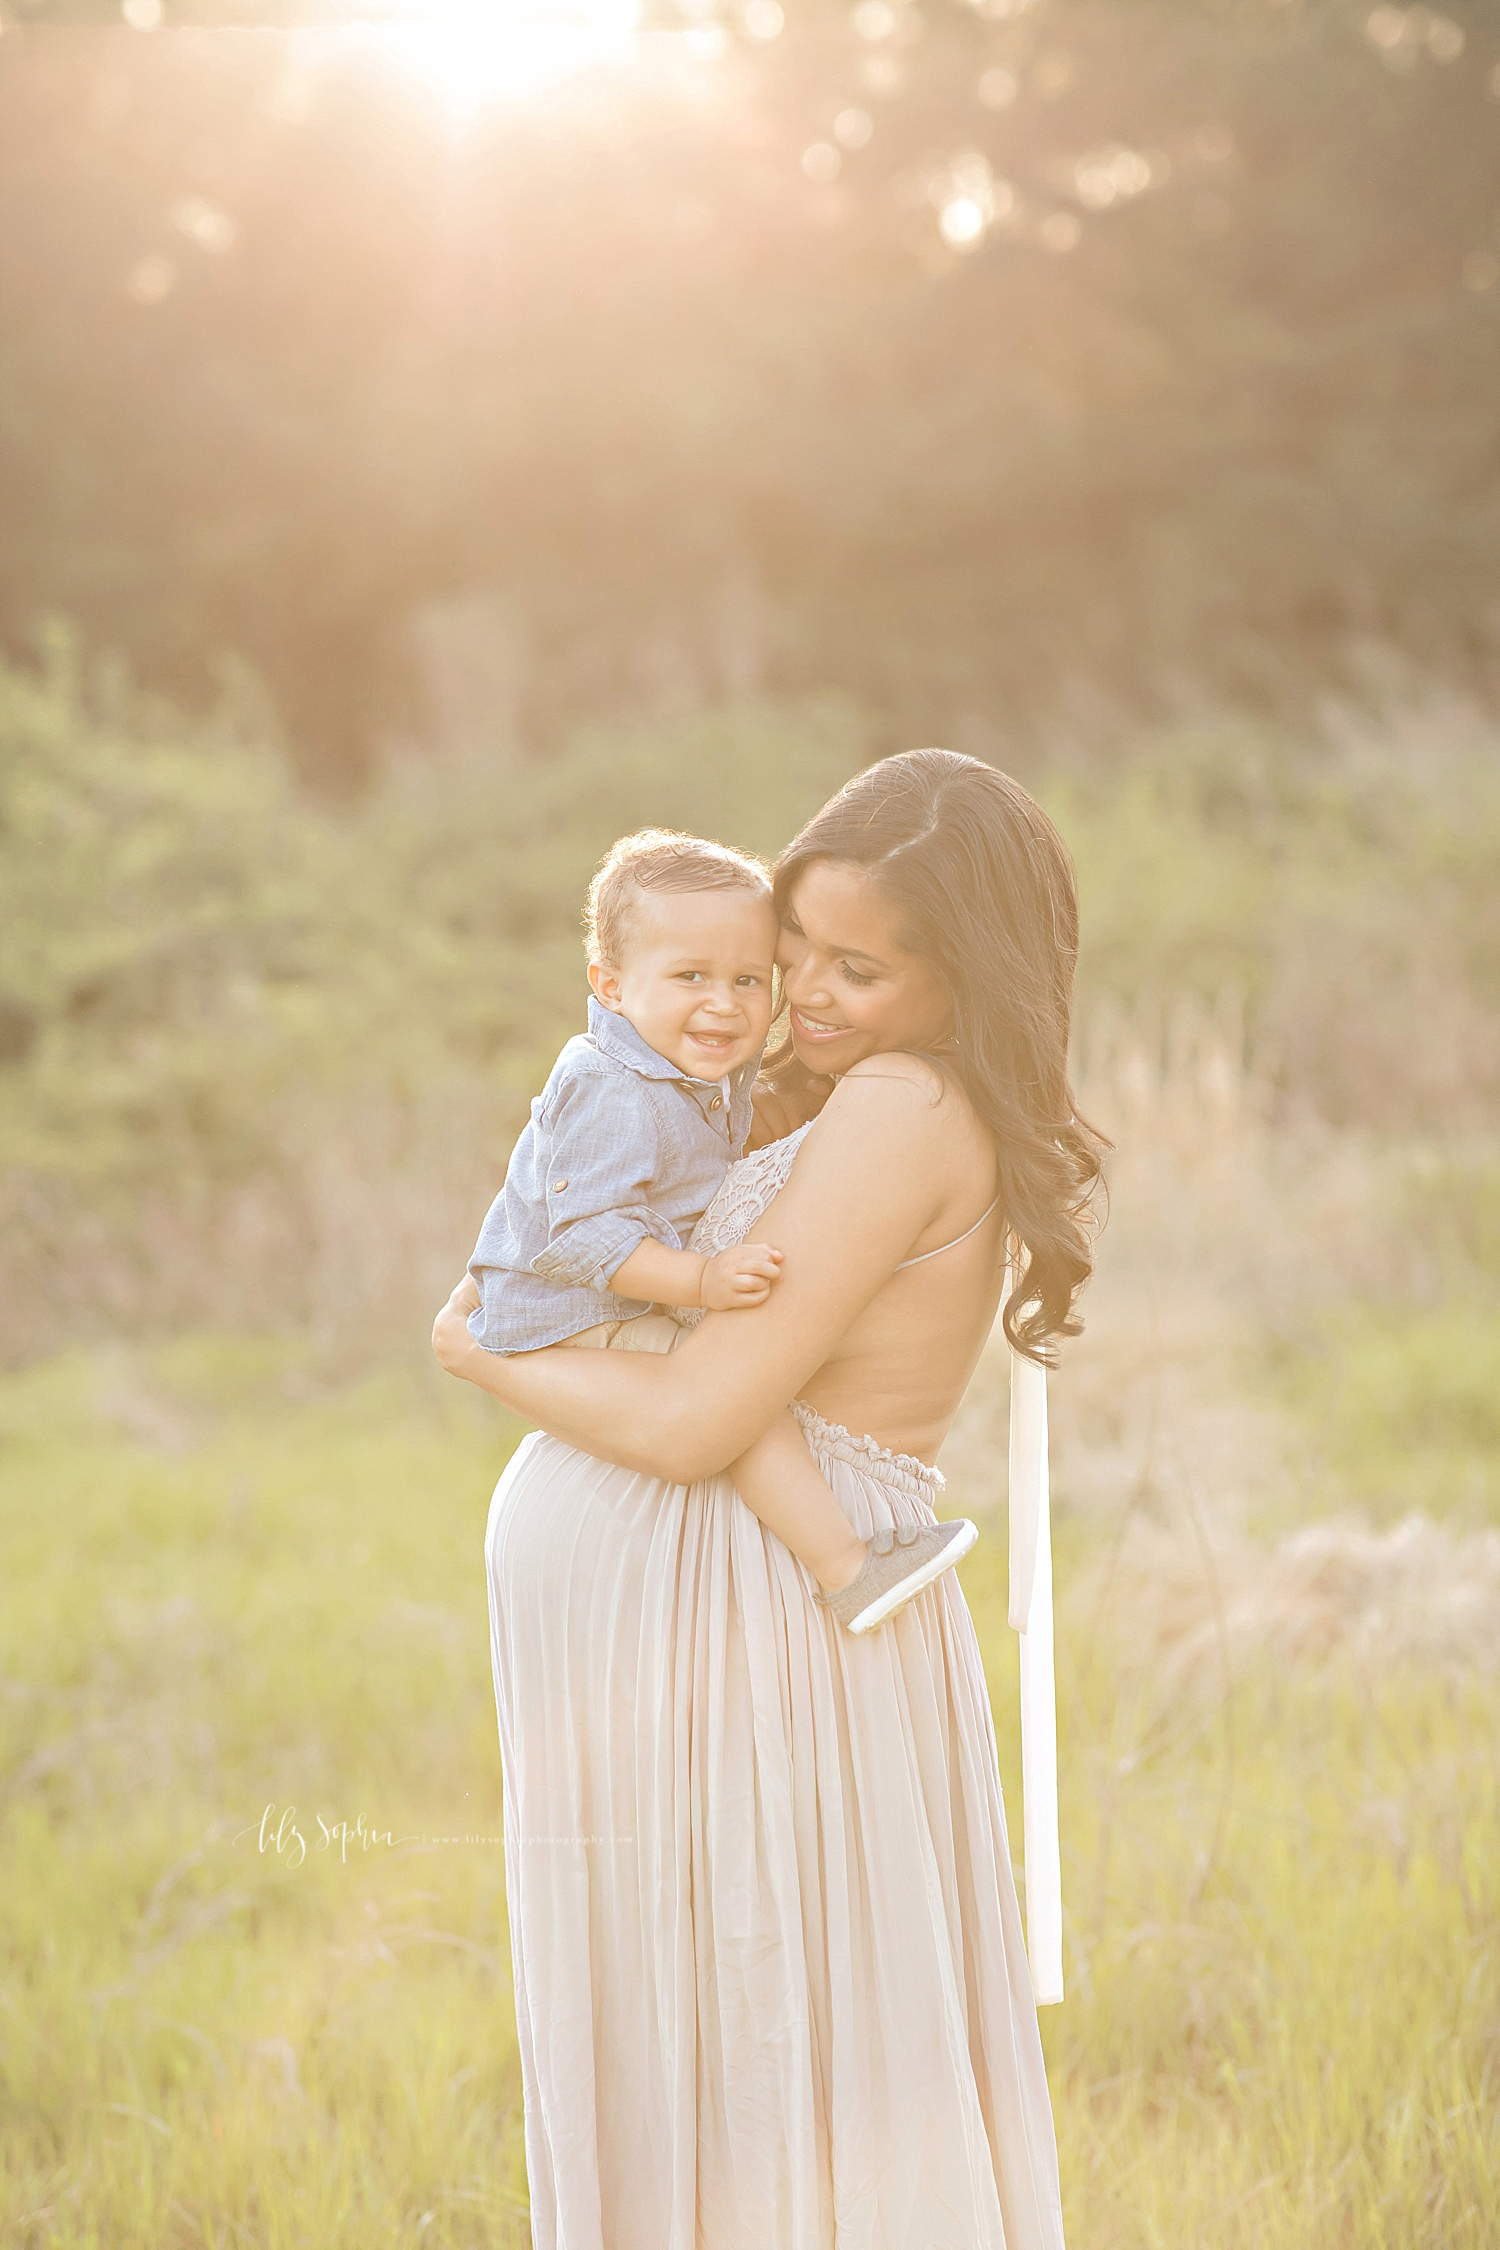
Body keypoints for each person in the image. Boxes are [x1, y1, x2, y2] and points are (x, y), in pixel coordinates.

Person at [433, 749, 1106, 2250]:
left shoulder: (904, 1103)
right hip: (699, 1630)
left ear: (968, 975)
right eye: (794, 945)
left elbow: (691, 1418)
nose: (798, 991)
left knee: (761, 2033)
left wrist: (473, 1345)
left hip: (765, 1627)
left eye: (856, 966)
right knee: (719, 2023)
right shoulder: (820, 1087)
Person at [464, 824, 979, 1632]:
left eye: (749, 978)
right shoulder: (614, 1088)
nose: (725, 1003)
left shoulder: (698, 1078)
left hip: (608, 1347)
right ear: (608, 984)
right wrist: (699, 1282)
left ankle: (846, 1563)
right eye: (690, 976)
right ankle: (845, 1565)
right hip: (574, 1319)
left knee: (735, 1401)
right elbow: (586, 1239)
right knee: (742, 1411)